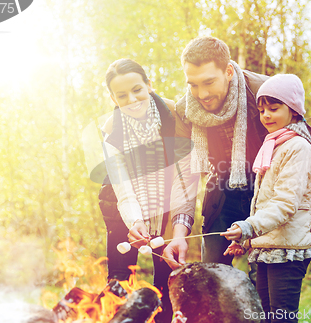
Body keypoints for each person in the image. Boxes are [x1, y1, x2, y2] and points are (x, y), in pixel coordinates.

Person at [221, 74, 311, 323]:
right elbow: (265, 203)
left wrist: (248, 227)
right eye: (262, 109)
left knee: (281, 318)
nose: (266, 115)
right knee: (267, 317)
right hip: (268, 247)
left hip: (287, 249)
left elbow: (285, 204)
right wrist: (247, 240)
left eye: (274, 108)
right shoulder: (275, 145)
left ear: (294, 110)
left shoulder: (298, 148)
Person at [162, 36, 269, 270]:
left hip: (267, 188)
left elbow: (298, 144)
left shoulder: (264, 92)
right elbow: (184, 178)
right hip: (221, 188)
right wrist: (179, 234)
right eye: (193, 84)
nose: (201, 94)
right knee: (213, 275)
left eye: (208, 82)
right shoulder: (184, 111)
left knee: (264, 281)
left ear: (228, 71)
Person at [98, 58, 175, 323]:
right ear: (113, 99)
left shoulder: (173, 119)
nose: (132, 99)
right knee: (120, 278)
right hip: (119, 206)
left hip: (165, 204)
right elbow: (124, 190)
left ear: (149, 85)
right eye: (122, 95)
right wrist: (135, 221)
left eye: (137, 89)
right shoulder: (111, 135)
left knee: (165, 280)